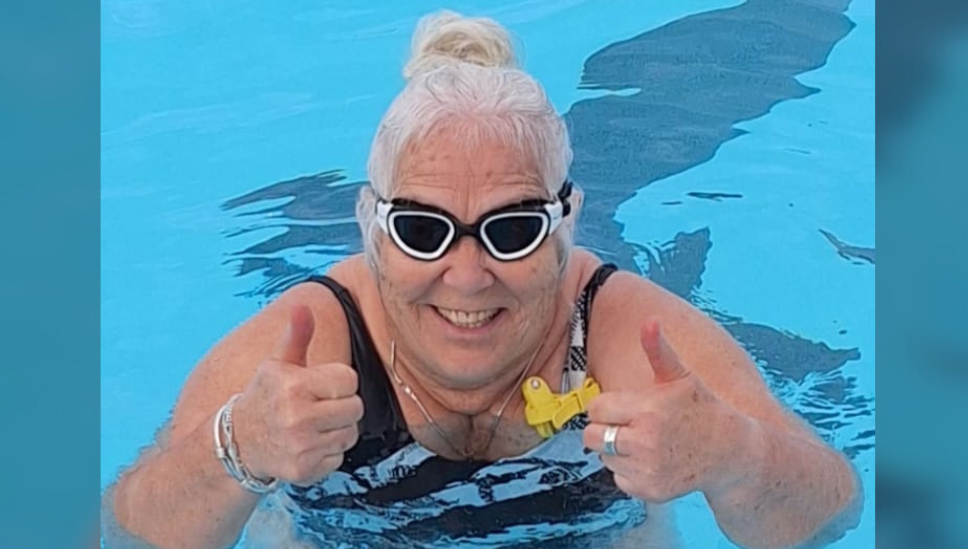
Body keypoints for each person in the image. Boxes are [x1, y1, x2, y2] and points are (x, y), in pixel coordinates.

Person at [103, 10, 862, 549]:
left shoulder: (624, 332)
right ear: (369, 223)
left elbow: (828, 513)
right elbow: (131, 531)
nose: (466, 277)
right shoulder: (311, 339)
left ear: (567, 222)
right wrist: (239, 445)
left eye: (513, 228)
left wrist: (732, 454)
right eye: (422, 230)